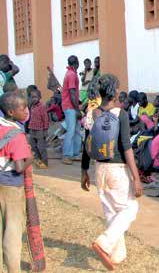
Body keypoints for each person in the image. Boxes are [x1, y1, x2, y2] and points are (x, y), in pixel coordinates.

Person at [81, 74, 143, 270]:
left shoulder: (92, 114)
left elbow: (86, 144)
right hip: (118, 169)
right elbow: (126, 147)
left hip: (99, 168)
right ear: (116, 92)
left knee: (111, 211)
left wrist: (84, 170)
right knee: (129, 208)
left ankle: (117, 255)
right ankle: (104, 243)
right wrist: (136, 177)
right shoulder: (120, 114)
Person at [0, 91, 34, 273]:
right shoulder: (17, 134)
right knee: (13, 233)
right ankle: (14, 269)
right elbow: (20, 167)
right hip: (11, 186)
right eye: (23, 108)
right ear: (12, 112)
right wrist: (32, 158)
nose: (27, 111)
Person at [61, 55, 82, 165]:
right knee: (71, 130)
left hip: (71, 106)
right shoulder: (71, 75)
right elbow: (72, 93)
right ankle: (67, 155)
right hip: (70, 107)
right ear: (77, 63)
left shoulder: (70, 74)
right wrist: (77, 109)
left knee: (77, 130)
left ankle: (75, 153)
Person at [28, 89, 50, 169]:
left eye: (35, 97)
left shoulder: (42, 107)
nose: (34, 99)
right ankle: (39, 160)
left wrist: (45, 130)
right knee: (33, 146)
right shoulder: (31, 106)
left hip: (40, 130)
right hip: (32, 129)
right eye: (32, 97)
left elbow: (45, 119)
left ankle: (45, 162)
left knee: (41, 147)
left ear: (40, 97)